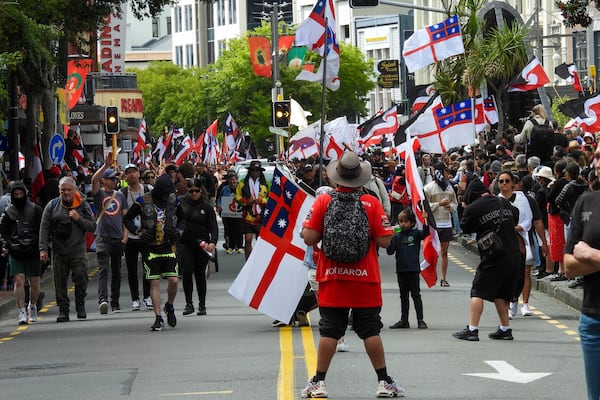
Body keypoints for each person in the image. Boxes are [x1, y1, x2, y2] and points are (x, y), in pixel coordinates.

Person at [300, 151, 404, 398]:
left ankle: (318, 382)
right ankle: (384, 381)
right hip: (365, 277)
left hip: (332, 276)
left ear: (336, 178)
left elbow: (309, 237)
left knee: (330, 330)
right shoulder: (371, 203)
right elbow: (385, 240)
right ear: (360, 178)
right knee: (370, 329)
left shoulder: (323, 202)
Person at [452, 179, 520, 341]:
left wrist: (468, 210)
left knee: (478, 290)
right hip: (514, 254)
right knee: (501, 294)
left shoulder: (474, 207)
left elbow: (466, 228)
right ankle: (505, 329)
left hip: (494, 255)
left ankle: (472, 329)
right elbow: (515, 218)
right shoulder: (504, 202)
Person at [564, 148, 600, 399]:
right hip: (593, 319)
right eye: (595, 156)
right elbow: (568, 265)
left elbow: (579, 258)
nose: (596, 162)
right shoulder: (586, 201)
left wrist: (589, 255)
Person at [123, 174, 180, 331]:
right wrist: (139, 232)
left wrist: (179, 231)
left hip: (168, 246)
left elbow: (183, 218)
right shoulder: (143, 201)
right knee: (154, 282)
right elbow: (127, 219)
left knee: (173, 280)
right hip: (150, 247)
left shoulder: (174, 200)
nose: (167, 196)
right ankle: (158, 317)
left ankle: (169, 305)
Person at [39, 177, 96, 322]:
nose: (66, 192)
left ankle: (80, 304)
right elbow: (44, 228)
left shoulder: (82, 205)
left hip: (78, 249)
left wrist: (78, 219)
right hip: (59, 250)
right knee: (59, 282)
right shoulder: (52, 205)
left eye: (69, 190)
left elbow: (92, 226)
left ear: (75, 190)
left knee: (81, 278)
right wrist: (43, 249)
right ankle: (63, 309)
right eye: (62, 190)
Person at [0, 182, 42, 324]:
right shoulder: (8, 212)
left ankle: (33, 305)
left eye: (21, 194)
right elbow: (4, 232)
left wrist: (37, 245)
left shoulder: (35, 209)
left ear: (26, 194)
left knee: (34, 283)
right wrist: (11, 245)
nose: (19, 197)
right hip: (16, 251)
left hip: (33, 249)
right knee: (19, 280)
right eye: (15, 195)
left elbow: (42, 229)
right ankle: (21, 311)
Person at [92, 153, 128, 314]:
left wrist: (125, 236)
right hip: (102, 237)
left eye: (115, 179)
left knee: (116, 271)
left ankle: (115, 301)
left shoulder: (120, 195)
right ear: (104, 180)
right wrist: (106, 166)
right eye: (111, 178)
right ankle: (103, 300)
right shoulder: (99, 194)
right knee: (103, 269)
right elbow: (93, 180)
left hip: (118, 238)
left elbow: (126, 217)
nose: (115, 181)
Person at [177, 179, 218, 316]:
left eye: (196, 191)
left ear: (201, 191)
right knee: (187, 271)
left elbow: (213, 226)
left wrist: (213, 242)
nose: (193, 193)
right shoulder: (181, 203)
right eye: (191, 191)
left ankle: (202, 305)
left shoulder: (206, 206)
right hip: (185, 242)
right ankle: (189, 303)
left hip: (202, 243)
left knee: (200, 274)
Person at [386, 208, 428, 330]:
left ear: (412, 223)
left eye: (405, 222)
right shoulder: (397, 237)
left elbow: (426, 233)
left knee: (416, 295)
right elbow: (390, 251)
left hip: (413, 270)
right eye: (400, 222)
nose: (402, 224)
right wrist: (390, 237)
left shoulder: (415, 234)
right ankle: (404, 319)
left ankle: (420, 319)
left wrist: (426, 219)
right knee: (403, 296)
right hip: (401, 270)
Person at [121, 163, 152, 310]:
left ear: (139, 174)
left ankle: (147, 297)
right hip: (130, 236)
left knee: (148, 267)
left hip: (146, 236)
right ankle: (135, 299)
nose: (132, 174)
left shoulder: (148, 190)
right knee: (132, 269)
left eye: (134, 171)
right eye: (129, 172)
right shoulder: (122, 193)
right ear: (125, 176)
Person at [424, 162, 458, 287]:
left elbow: (455, 203)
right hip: (434, 224)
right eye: (446, 171)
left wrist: (450, 206)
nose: (448, 173)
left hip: (446, 223)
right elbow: (425, 206)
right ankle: (432, 275)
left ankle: (444, 278)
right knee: (433, 252)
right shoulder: (429, 188)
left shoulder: (449, 187)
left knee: (444, 251)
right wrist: (439, 204)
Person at [235, 160, 269, 260]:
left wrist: (262, 200)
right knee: (248, 239)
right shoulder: (242, 184)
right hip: (248, 215)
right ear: (250, 171)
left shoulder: (266, 184)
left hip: (261, 215)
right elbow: (237, 197)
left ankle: (259, 260)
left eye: (257, 170)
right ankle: (248, 261)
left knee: (260, 241)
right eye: (253, 170)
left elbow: (272, 198)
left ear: (260, 171)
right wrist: (246, 201)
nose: (255, 172)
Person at [216, 172, 244, 254]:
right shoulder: (225, 189)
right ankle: (231, 246)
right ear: (228, 180)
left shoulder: (241, 188)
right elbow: (219, 198)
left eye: (234, 180)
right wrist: (219, 205)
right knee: (229, 229)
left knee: (239, 229)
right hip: (227, 213)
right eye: (231, 180)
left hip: (238, 213)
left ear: (236, 180)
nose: (232, 182)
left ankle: (240, 246)